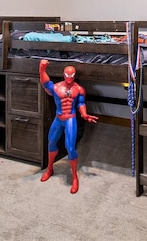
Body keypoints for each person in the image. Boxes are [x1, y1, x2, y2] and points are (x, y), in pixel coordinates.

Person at [39, 59, 98, 193]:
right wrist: (42, 69)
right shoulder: (57, 87)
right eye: (67, 75)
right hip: (58, 118)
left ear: (75, 75)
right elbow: (46, 84)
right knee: (51, 142)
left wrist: (84, 114)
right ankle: (49, 169)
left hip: (70, 119)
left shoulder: (79, 89)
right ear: (63, 74)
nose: (69, 77)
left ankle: (75, 177)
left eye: (72, 75)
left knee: (70, 148)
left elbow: (80, 103)